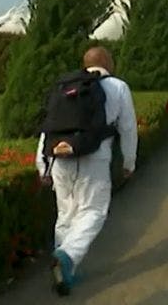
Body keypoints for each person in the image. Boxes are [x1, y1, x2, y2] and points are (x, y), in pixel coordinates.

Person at [34, 45, 138, 296]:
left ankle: (64, 271)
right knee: (93, 211)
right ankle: (67, 256)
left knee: (66, 212)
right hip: (94, 158)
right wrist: (129, 163)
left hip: (59, 157)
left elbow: (49, 127)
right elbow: (128, 128)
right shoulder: (118, 87)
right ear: (108, 63)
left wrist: (42, 164)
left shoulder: (64, 86)